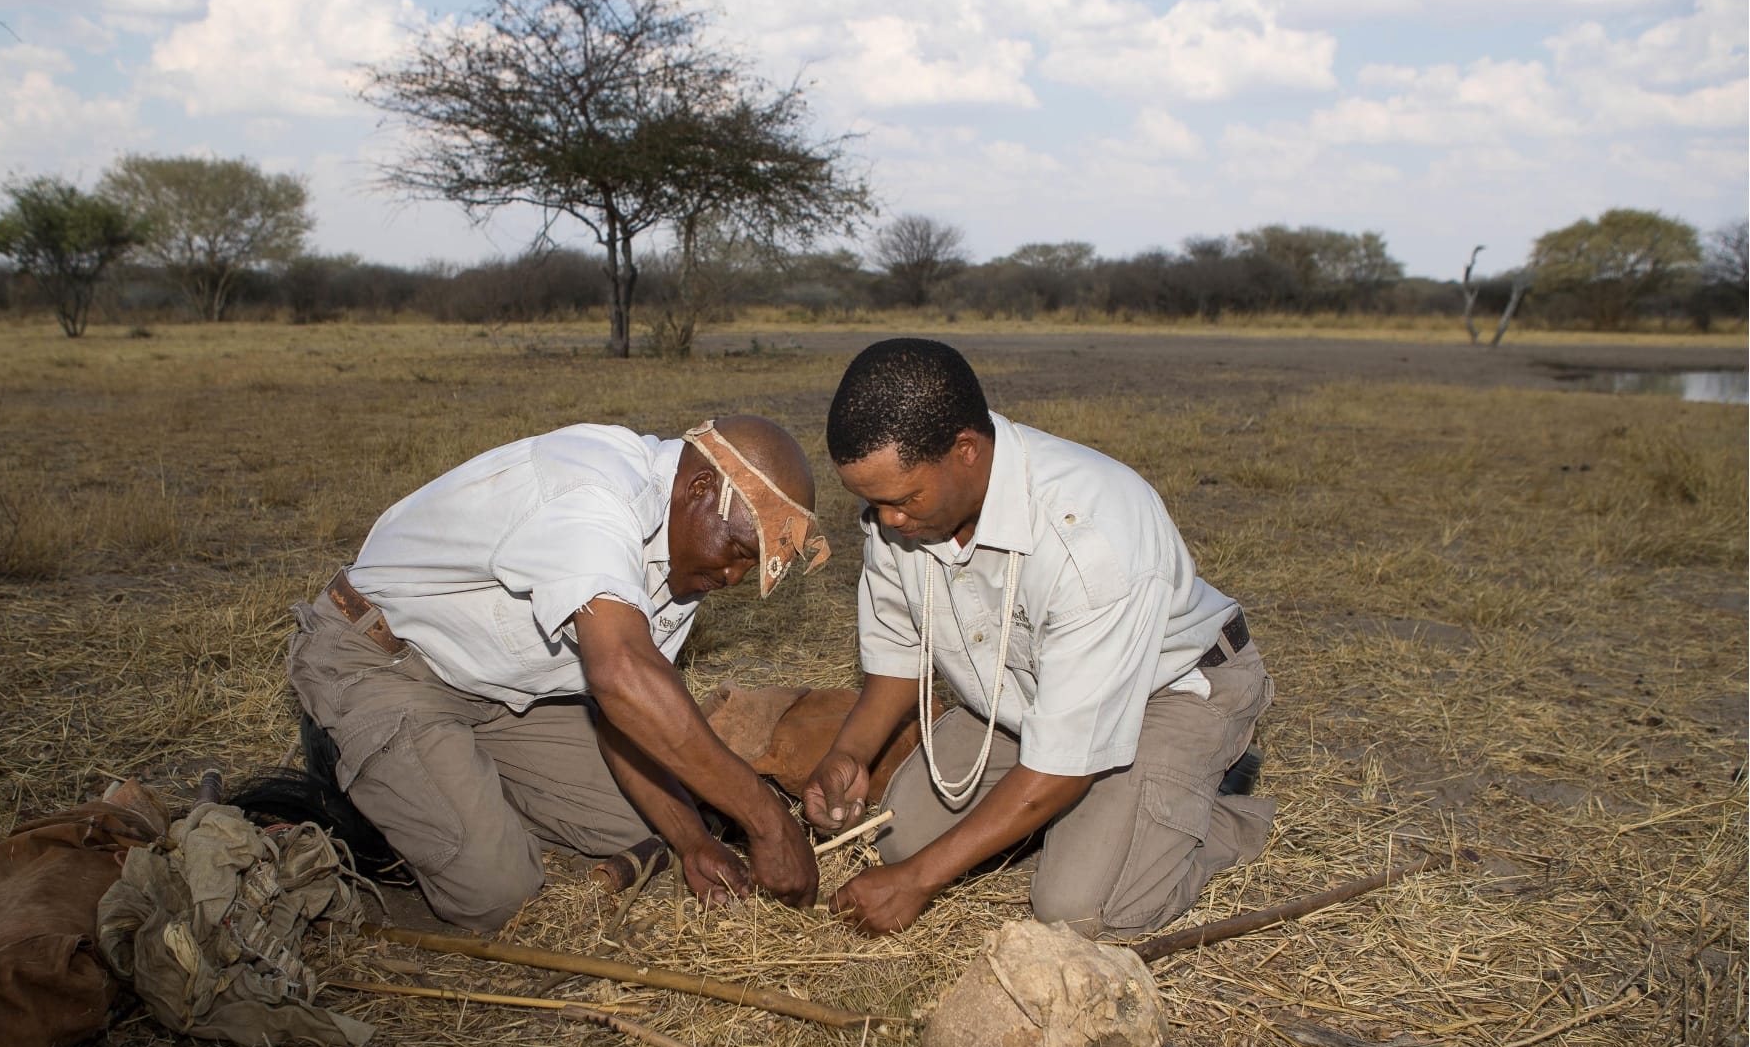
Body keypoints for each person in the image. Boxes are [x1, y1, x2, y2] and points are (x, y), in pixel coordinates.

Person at [280, 414, 828, 932]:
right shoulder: (597, 494)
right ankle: (356, 765)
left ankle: (455, 778)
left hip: (496, 695)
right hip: (382, 660)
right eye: (736, 550)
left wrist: (691, 842)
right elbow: (620, 674)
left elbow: (624, 715)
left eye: (747, 567)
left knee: (646, 823)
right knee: (497, 892)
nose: (732, 576)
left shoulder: (682, 559)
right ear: (701, 487)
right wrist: (767, 819)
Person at [803, 339, 1275, 938]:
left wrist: (918, 882)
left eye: (901, 500)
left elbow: (1063, 765)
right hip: (1025, 693)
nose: (887, 521)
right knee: (898, 839)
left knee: (1078, 909)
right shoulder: (902, 517)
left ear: (966, 450)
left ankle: (1210, 809)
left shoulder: (1091, 538)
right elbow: (898, 656)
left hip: (1170, 691)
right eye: (871, 503)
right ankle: (1095, 822)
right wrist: (849, 754)